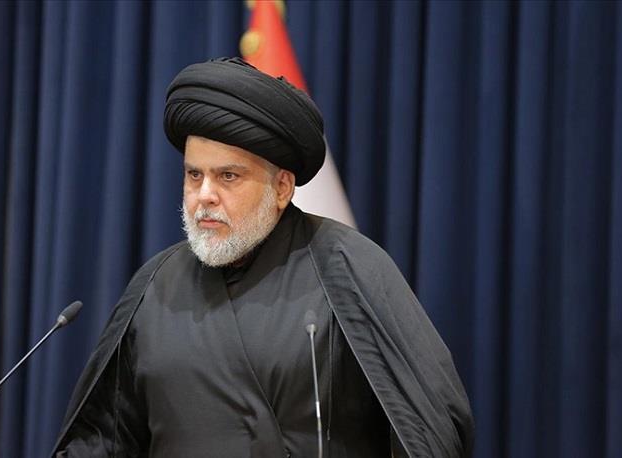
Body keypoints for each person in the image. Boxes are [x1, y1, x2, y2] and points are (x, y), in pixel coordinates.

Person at [52, 57, 473, 457]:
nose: (204, 195)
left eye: (227, 176)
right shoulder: (153, 286)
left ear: (282, 188)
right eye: (194, 175)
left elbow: (431, 429)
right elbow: (103, 439)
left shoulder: (348, 267)